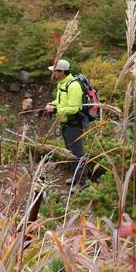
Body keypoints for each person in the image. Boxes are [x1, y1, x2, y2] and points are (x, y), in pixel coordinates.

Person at [43, 59, 88, 189]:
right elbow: (60, 100)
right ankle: (75, 177)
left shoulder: (73, 86)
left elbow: (74, 108)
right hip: (66, 123)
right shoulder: (62, 83)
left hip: (74, 123)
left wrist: (56, 110)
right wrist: (52, 104)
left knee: (77, 153)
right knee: (70, 151)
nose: (54, 73)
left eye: (55, 71)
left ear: (62, 71)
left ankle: (81, 182)